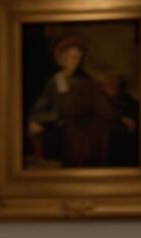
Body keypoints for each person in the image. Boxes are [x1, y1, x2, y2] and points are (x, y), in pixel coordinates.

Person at [26, 36, 115, 168]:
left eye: (79, 58)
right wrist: (37, 118)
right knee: (33, 126)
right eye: (73, 58)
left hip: (74, 121)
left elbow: (95, 103)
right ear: (63, 60)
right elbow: (43, 104)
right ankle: (40, 159)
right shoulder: (55, 80)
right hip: (55, 117)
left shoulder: (84, 80)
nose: (76, 62)